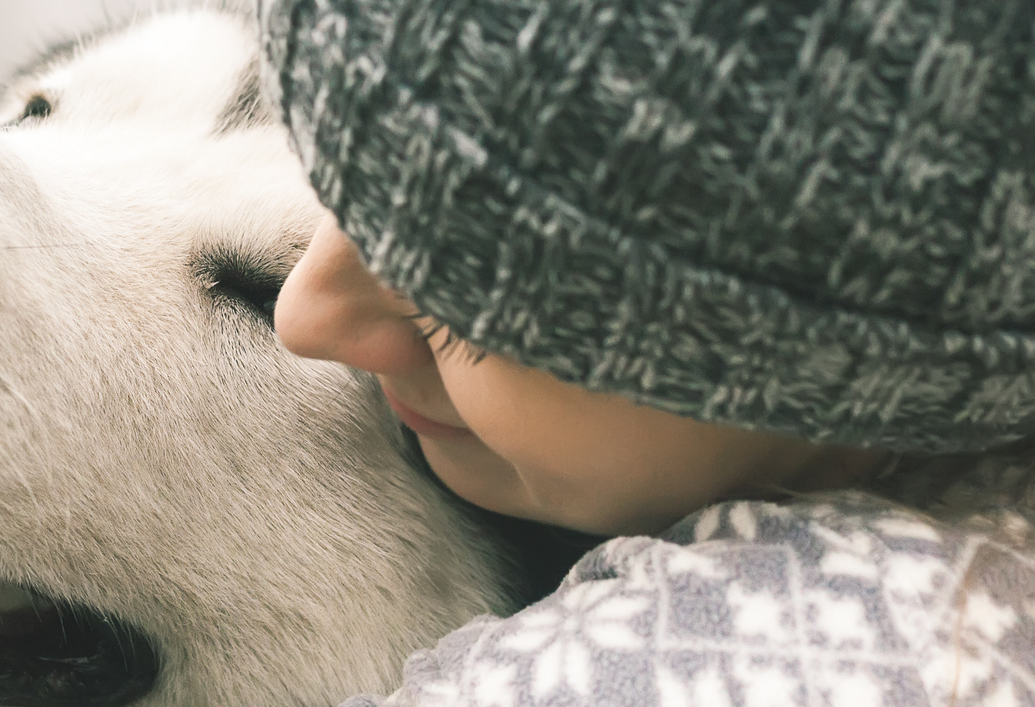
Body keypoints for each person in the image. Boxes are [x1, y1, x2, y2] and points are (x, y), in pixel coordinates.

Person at [261, 0, 1035, 703]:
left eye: (453, 314)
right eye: (330, 183)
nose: (301, 315)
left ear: (853, 399)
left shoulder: (766, 662)